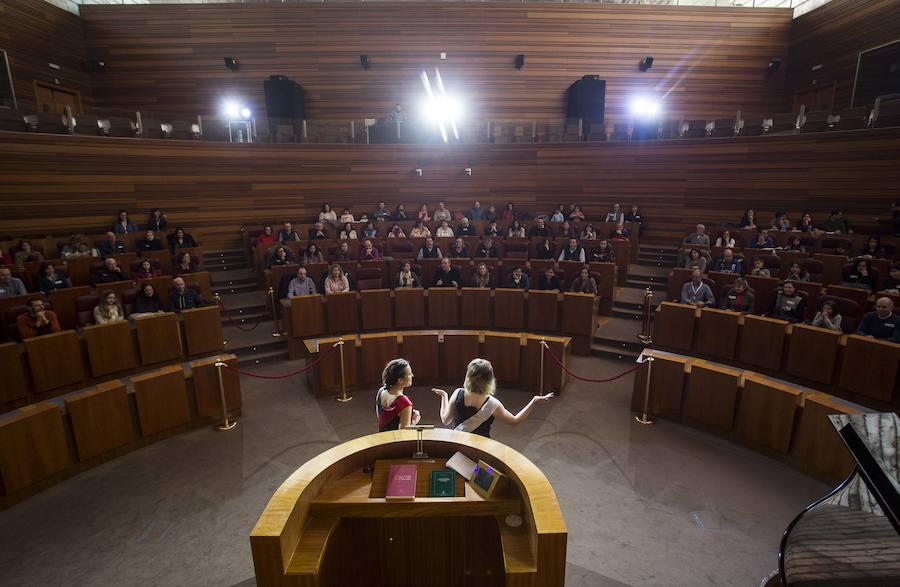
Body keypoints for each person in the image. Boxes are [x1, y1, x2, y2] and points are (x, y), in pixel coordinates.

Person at [433, 358, 553, 438]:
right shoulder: (493, 404)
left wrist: (444, 396)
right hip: (481, 449)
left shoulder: (457, 393)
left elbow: (445, 420)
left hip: (459, 445)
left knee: (456, 468)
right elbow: (515, 421)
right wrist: (534, 402)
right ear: (489, 380)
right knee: (484, 470)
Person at [375, 358, 420, 431]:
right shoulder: (405, 403)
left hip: (382, 435)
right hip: (395, 438)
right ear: (400, 380)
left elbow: (382, 417)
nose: (412, 375)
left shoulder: (381, 391)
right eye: (409, 374)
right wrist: (414, 421)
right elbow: (403, 434)